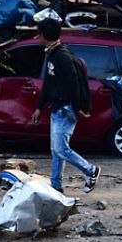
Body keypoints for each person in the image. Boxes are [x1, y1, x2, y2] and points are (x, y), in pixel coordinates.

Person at [30, 17, 101, 194]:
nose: (37, 37)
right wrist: (40, 107)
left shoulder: (62, 56)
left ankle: (90, 170)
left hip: (65, 109)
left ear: (44, 35)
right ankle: (56, 186)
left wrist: (77, 108)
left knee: (61, 149)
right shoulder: (52, 54)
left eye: (39, 34)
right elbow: (49, 83)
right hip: (57, 107)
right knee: (55, 149)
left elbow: (73, 84)